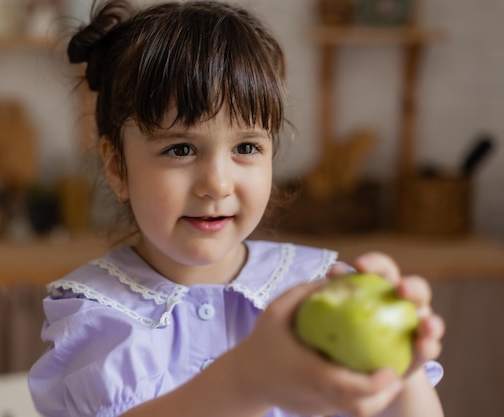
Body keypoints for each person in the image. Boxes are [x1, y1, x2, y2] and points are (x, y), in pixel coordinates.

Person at [28, 1, 445, 416]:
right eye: (181, 148)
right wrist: (248, 379)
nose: (217, 184)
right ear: (117, 167)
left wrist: (401, 371)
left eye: (246, 147)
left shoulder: (317, 288)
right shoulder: (99, 317)